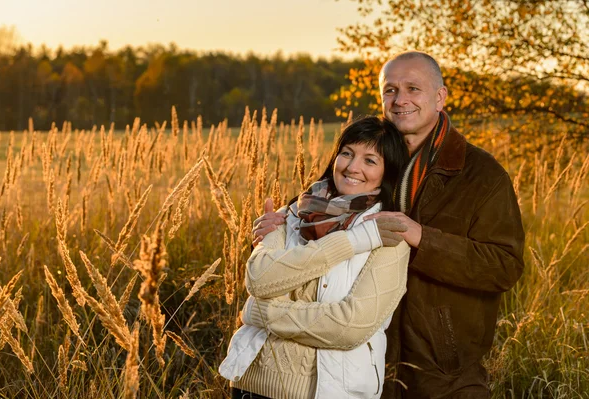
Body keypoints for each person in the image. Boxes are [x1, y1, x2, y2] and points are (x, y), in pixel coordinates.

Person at [253, 52, 525, 399]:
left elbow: (504, 266)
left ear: (440, 97)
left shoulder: (481, 175)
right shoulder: (368, 157)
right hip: (356, 365)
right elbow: (311, 212)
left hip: (442, 370)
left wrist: (422, 238)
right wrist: (276, 228)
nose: (400, 100)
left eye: (414, 88)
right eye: (390, 90)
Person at [219, 116, 411, 398]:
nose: (352, 167)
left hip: (329, 391)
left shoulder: (389, 234)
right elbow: (259, 279)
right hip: (252, 385)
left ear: (388, 172)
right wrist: (353, 241)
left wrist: (263, 312)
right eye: (346, 153)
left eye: (370, 160)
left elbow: (350, 326)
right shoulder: (293, 212)